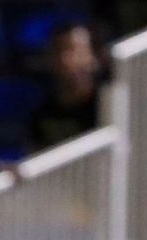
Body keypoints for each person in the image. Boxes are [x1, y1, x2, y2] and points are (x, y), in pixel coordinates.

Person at [28, 23, 104, 152]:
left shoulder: (106, 105)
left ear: (93, 58)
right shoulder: (41, 112)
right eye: (57, 50)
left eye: (74, 50)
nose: (65, 59)